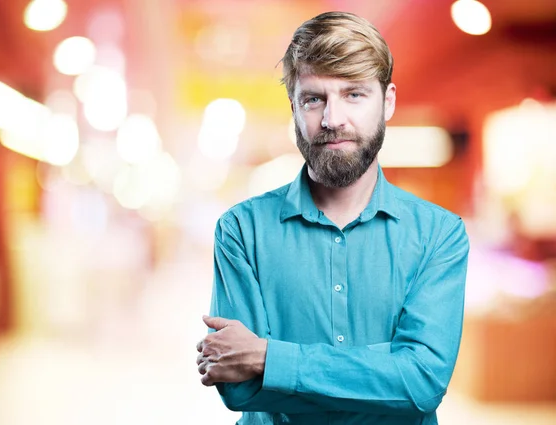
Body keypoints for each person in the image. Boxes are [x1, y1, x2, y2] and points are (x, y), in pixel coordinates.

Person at [196, 11, 469, 425]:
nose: (332, 119)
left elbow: (421, 384)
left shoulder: (439, 235)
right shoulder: (242, 231)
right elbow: (240, 389)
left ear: (388, 102)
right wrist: (384, 372)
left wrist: (269, 358)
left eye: (354, 95)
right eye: (313, 98)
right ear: (293, 106)